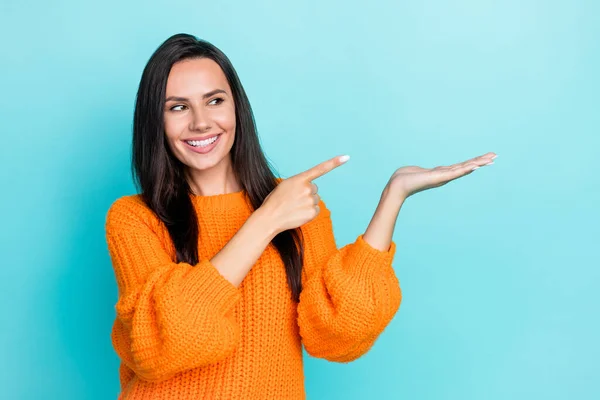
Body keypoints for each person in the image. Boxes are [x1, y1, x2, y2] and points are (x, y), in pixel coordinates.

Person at [105, 33, 496, 400]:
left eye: (215, 100)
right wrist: (265, 220)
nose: (201, 122)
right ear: (156, 122)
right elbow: (161, 345)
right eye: (178, 107)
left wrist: (393, 197)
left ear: (237, 107)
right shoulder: (134, 219)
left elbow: (339, 332)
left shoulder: (295, 206)